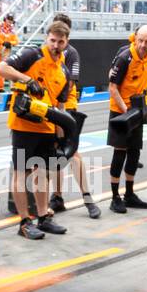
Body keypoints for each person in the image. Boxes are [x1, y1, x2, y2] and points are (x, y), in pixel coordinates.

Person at [0, 20, 72, 239]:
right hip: (23, 126)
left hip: (47, 129)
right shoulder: (32, 55)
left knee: (43, 173)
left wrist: (61, 136)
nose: (56, 44)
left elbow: (60, 106)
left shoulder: (64, 71)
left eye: (60, 41)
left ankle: (43, 217)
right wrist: (27, 79)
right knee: (21, 173)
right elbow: (1, 68)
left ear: (66, 42)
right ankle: (24, 222)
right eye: (52, 40)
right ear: (47, 38)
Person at [48, 12, 102, 220]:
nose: (57, 41)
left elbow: (69, 83)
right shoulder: (45, 52)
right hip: (49, 108)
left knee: (72, 153)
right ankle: (57, 196)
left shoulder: (71, 53)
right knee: (55, 154)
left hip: (66, 108)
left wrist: (60, 110)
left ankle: (88, 198)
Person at [107, 24, 147, 214]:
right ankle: (114, 197)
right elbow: (112, 88)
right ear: (135, 38)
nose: (143, 45)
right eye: (141, 40)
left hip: (138, 110)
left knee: (135, 152)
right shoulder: (124, 58)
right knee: (120, 152)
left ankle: (129, 194)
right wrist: (126, 113)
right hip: (121, 112)